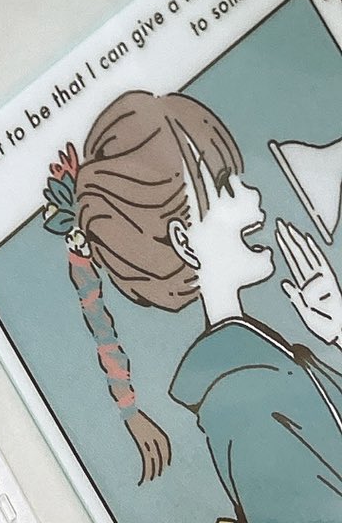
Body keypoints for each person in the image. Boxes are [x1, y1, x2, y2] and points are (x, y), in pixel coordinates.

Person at [43, 90, 342, 520]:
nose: (252, 194)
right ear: (183, 241)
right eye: (225, 186)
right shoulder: (242, 399)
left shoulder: (261, 366)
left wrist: (337, 331)